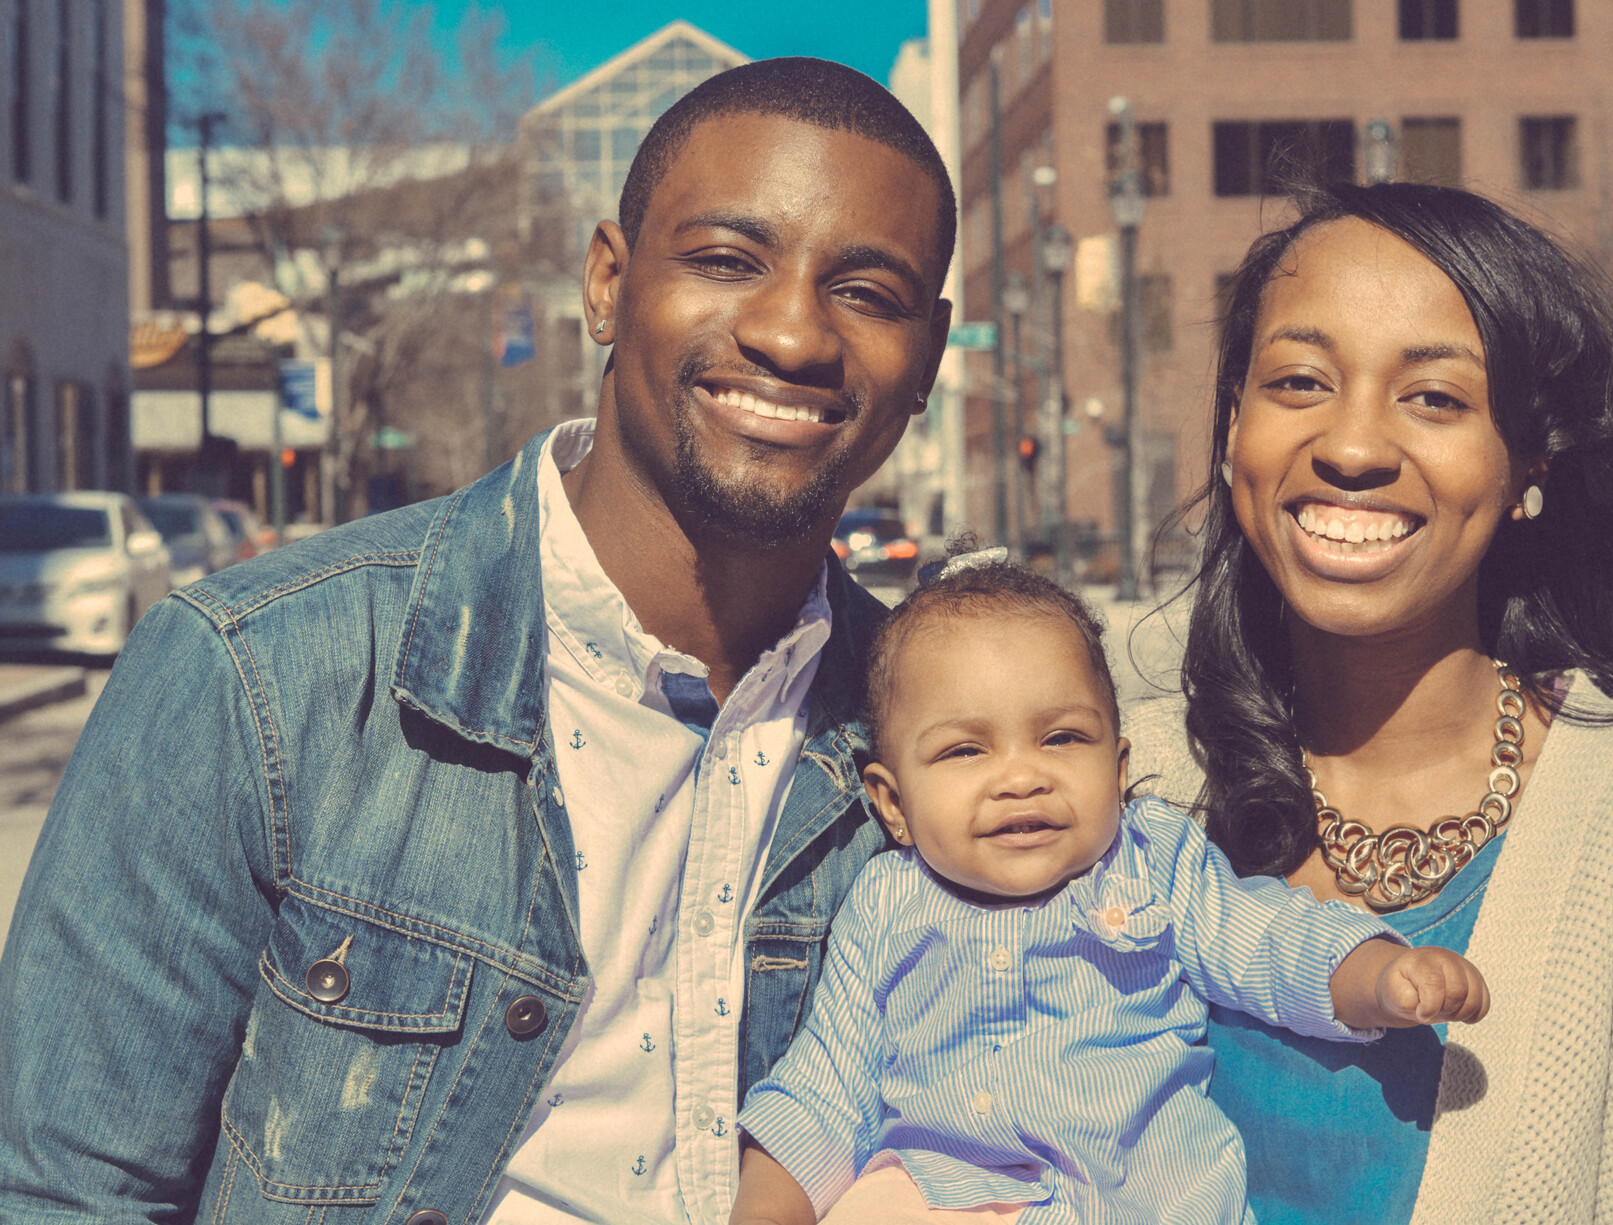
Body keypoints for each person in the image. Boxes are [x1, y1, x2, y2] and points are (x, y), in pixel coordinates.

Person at [0, 59, 957, 1225]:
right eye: (725, 260)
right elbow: (62, 1190)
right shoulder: (259, 674)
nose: (793, 332)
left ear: (931, 357)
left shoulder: (944, 738)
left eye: (868, 291)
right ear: (606, 284)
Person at [1127, 181, 1613, 1224]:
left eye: (1435, 398)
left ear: (1527, 466)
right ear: (1234, 428)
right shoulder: (1106, 787)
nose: (1354, 446)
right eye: (1298, 381)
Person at [729, 555, 1490, 1225]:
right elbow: (827, 1083)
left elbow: (1264, 938)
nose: (1021, 777)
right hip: (942, 1194)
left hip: (1141, 1196)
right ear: (892, 802)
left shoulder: (1150, 858)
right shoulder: (886, 903)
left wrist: (1378, 974)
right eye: (964, 749)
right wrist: (767, 1205)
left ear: (1118, 768)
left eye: (1061, 738)